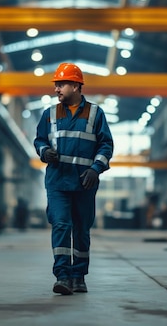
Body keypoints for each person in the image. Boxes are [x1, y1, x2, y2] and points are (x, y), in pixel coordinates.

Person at [34, 62, 114, 295]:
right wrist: (44, 151)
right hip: (58, 182)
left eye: (61, 84)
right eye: (56, 84)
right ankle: (63, 276)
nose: (56, 89)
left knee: (81, 229)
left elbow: (106, 145)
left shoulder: (95, 113)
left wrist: (95, 169)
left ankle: (79, 276)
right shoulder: (49, 114)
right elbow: (40, 140)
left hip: (84, 183)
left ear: (76, 86)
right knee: (60, 225)